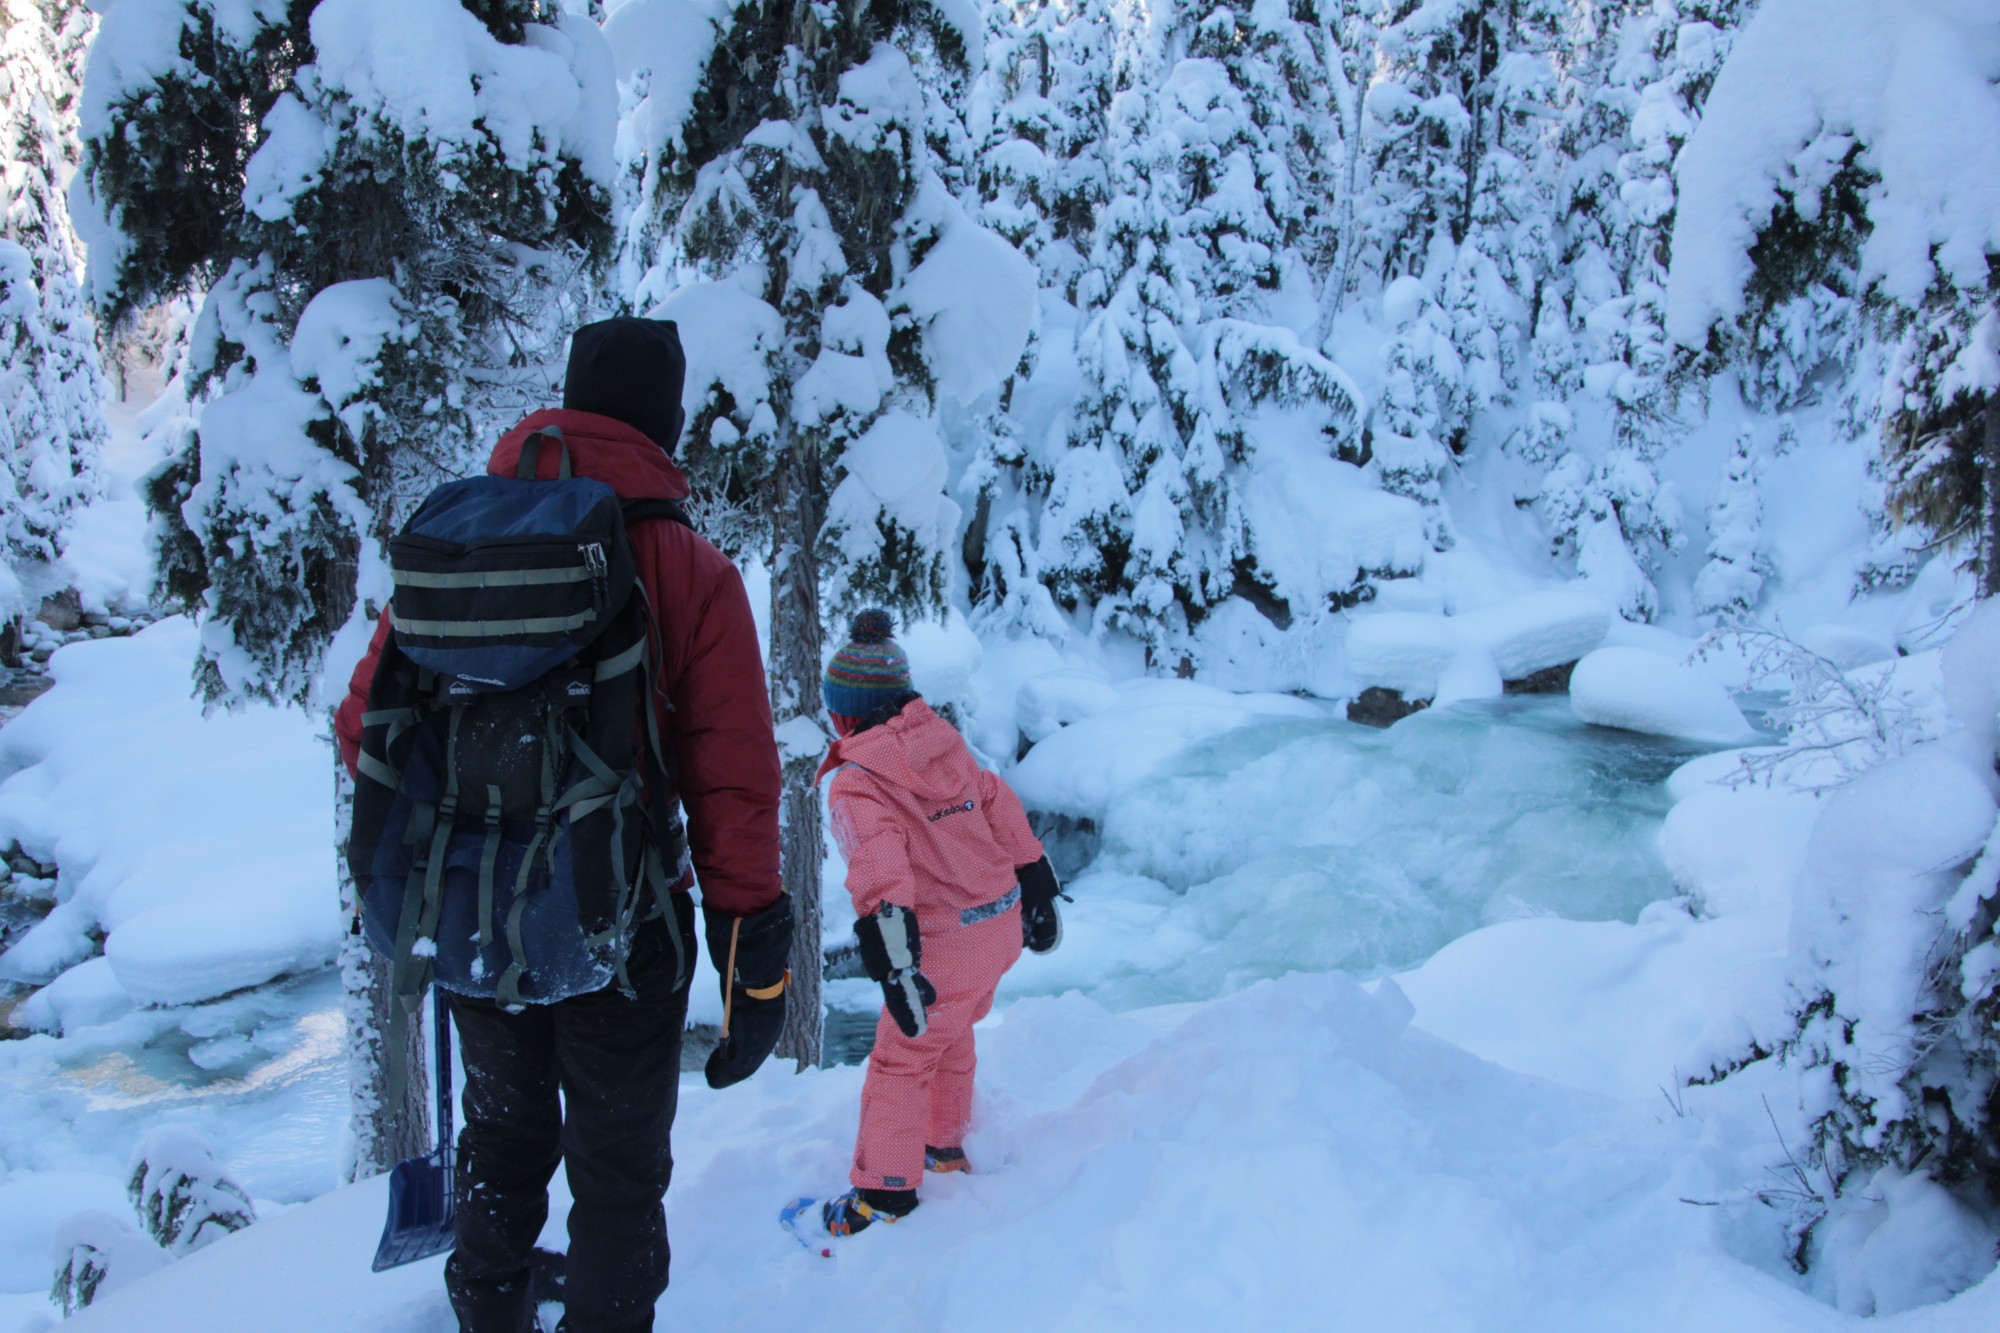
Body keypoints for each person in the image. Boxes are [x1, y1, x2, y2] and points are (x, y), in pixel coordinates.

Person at [336, 317, 789, 1333]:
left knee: (498, 1141)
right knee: (617, 1173)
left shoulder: (463, 544)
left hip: (475, 918)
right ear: (663, 423)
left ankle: (488, 1317)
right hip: (622, 928)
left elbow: (361, 723)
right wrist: (751, 951)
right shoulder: (688, 567)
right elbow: (732, 785)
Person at [811, 609, 1063, 1236]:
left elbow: (880, 872)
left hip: (944, 945)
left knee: (902, 1057)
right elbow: (998, 803)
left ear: (841, 716)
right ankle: (942, 1148)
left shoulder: (858, 782)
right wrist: (1037, 886)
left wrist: (896, 966)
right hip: (999, 925)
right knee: (949, 1033)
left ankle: (884, 1195)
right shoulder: (942, 743)